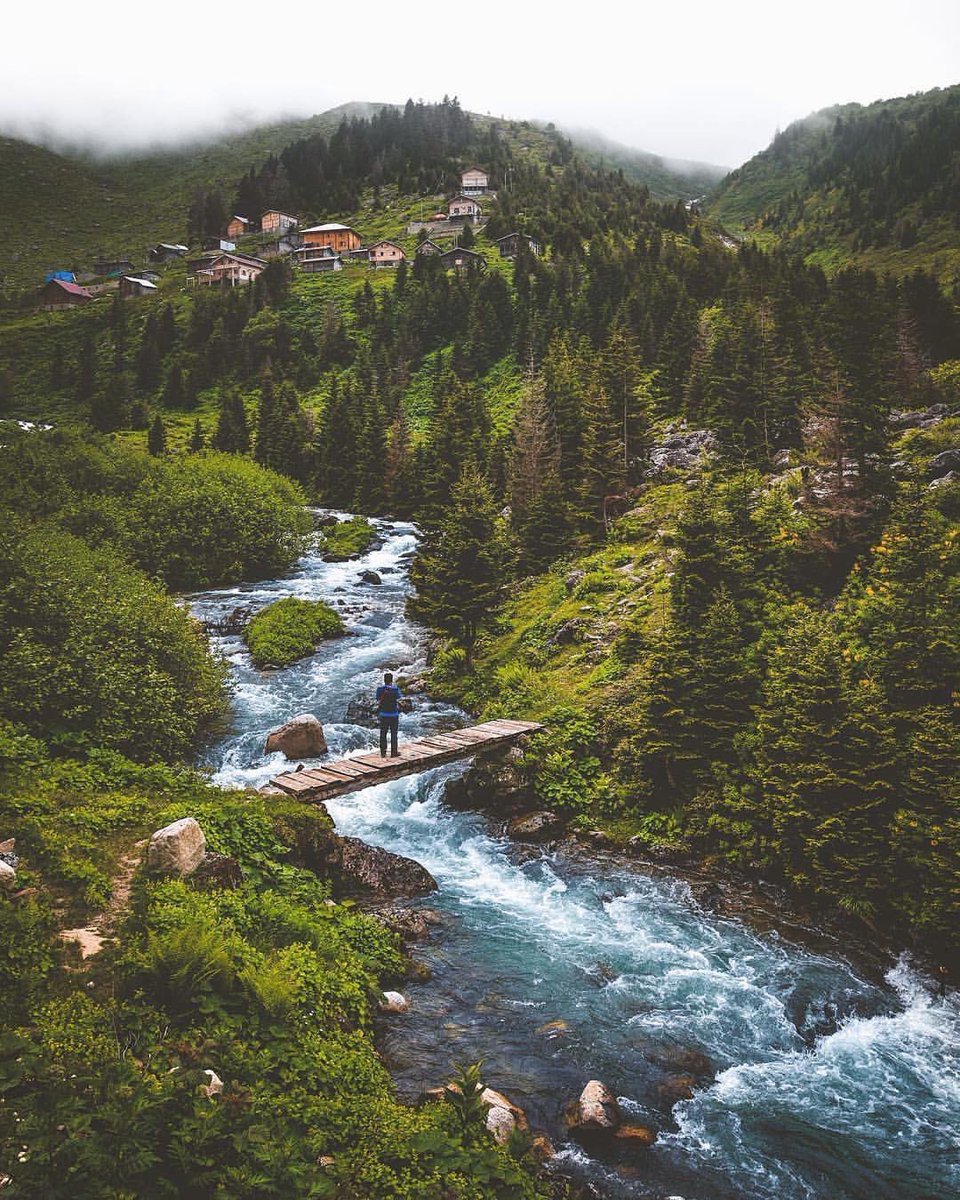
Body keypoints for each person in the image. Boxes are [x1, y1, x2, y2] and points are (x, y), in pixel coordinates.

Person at [376, 671, 403, 758]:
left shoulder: (380, 689)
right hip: (394, 715)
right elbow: (399, 698)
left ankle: (383, 753)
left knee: (383, 734)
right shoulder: (395, 689)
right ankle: (393, 752)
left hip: (383, 715)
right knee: (394, 734)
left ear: (384, 680)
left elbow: (377, 699)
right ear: (391, 680)